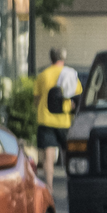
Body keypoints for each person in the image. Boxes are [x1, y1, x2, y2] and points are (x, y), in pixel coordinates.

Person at [33, 47, 82, 189]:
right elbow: (77, 94)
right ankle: (71, 183)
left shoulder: (43, 75)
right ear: (63, 59)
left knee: (48, 156)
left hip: (46, 119)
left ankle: (49, 186)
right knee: (68, 152)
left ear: (51, 58)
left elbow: (36, 98)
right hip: (64, 120)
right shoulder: (70, 74)